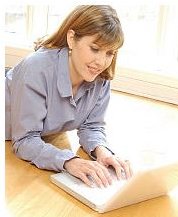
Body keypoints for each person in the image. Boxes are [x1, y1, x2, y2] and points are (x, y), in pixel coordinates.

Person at [5, 5, 131, 188]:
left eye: (109, 53)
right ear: (72, 39)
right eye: (95, 49)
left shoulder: (100, 77)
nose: (101, 62)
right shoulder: (36, 69)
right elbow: (24, 140)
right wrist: (70, 161)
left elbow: (92, 125)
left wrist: (102, 152)